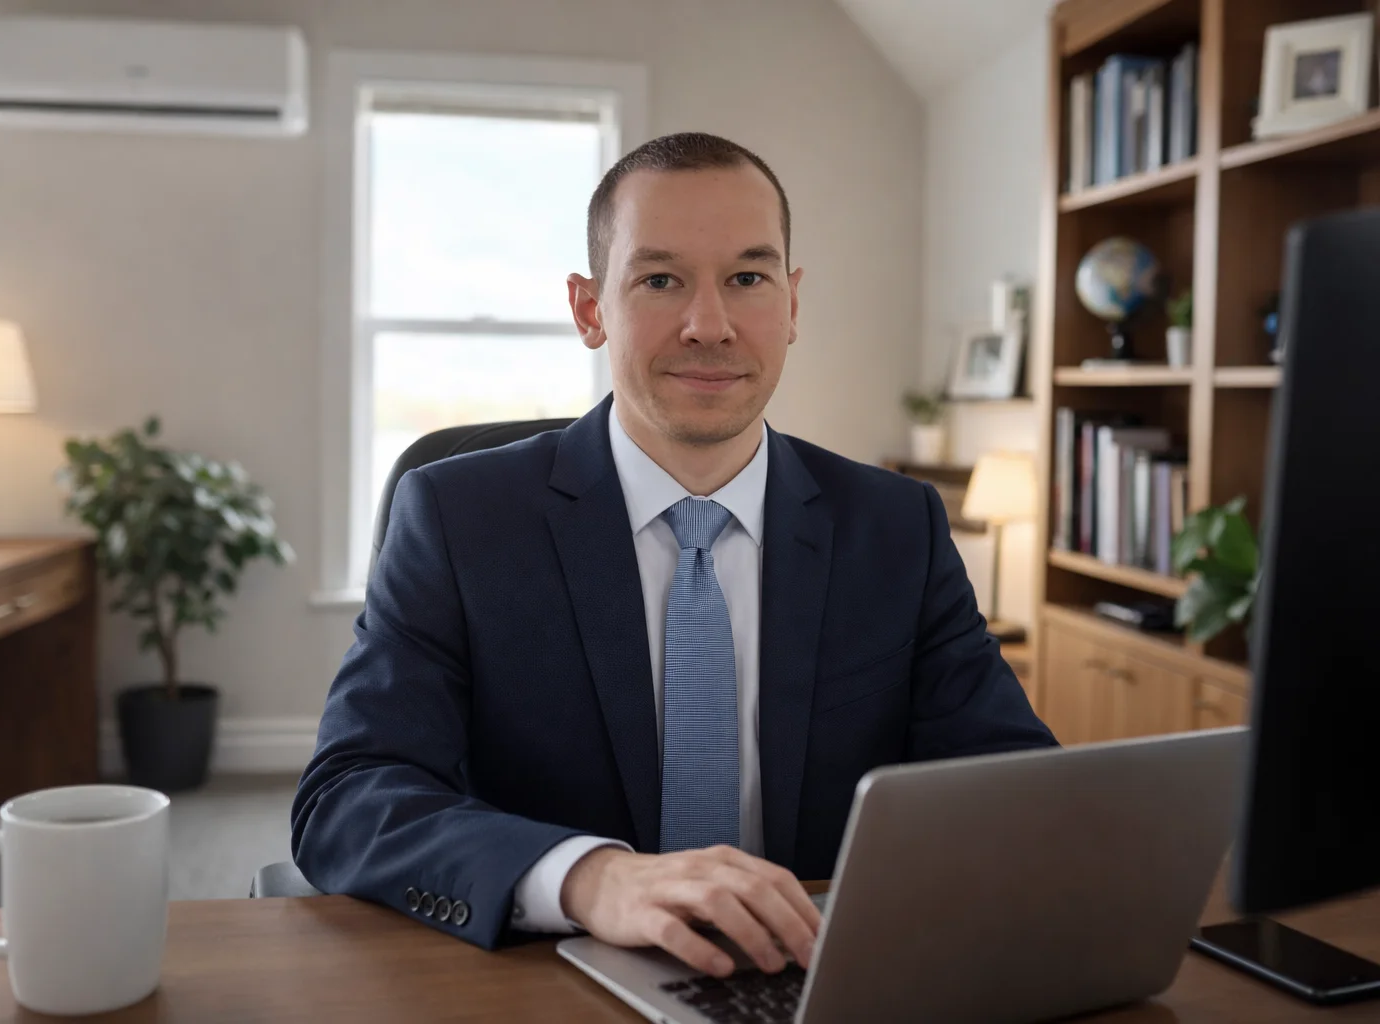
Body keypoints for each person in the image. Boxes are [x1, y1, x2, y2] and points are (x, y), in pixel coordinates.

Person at [292, 132, 1056, 980]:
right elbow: (350, 797)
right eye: (660, 280)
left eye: (747, 279)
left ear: (792, 304)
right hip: (549, 982)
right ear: (590, 310)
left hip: (819, 978)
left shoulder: (895, 526)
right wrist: (589, 878)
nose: (709, 325)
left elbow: (1014, 786)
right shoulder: (456, 516)